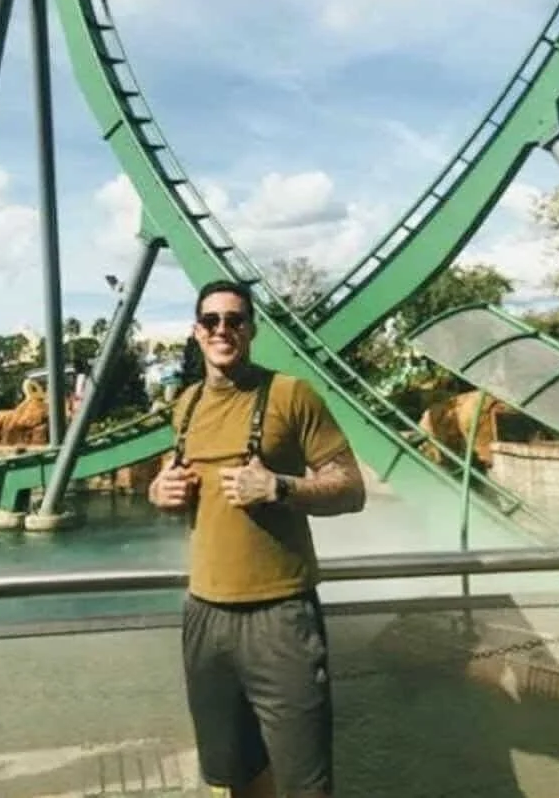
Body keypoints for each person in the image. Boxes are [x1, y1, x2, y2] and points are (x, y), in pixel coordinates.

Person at [148, 279, 366, 798]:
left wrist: (280, 486)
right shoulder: (186, 404)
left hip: (280, 617)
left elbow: (351, 488)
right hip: (205, 612)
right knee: (233, 774)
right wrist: (160, 488)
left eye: (235, 320)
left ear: (251, 330)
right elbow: (175, 471)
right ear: (196, 332)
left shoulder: (291, 395)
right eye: (212, 321)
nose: (223, 329)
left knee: (303, 780)